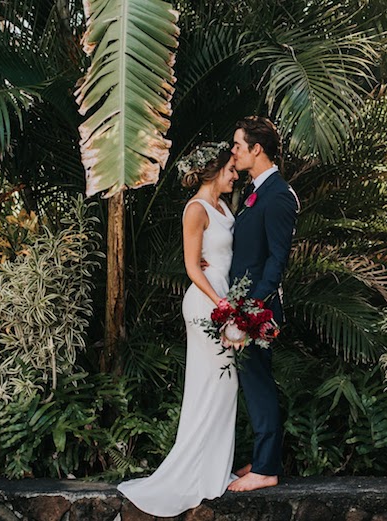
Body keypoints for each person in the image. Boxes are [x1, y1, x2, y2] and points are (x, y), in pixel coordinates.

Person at [117, 142, 240, 516]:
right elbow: (191, 266)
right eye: (231, 170)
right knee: (215, 383)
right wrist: (220, 303)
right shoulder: (196, 209)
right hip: (206, 301)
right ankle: (196, 474)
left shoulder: (223, 208)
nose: (236, 176)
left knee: (223, 385)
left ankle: (212, 470)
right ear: (214, 171)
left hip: (224, 297)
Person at [227, 116, 299, 492]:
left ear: (257, 149)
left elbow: (276, 261)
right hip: (245, 306)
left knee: (258, 384)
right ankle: (262, 457)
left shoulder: (279, 195)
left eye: (238, 145)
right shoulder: (257, 192)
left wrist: (250, 310)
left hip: (258, 310)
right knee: (253, 381)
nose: (234, 152)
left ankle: (267, 468)